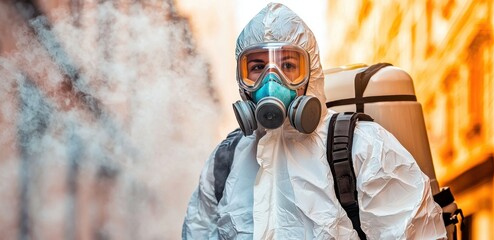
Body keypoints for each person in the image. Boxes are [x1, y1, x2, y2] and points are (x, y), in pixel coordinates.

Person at [182, 3, 446, 239]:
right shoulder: (224, 161)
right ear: (243, 80)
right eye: (258, 68)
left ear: (311, 73)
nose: (271, 82)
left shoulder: (363, 148)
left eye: (287, 66)